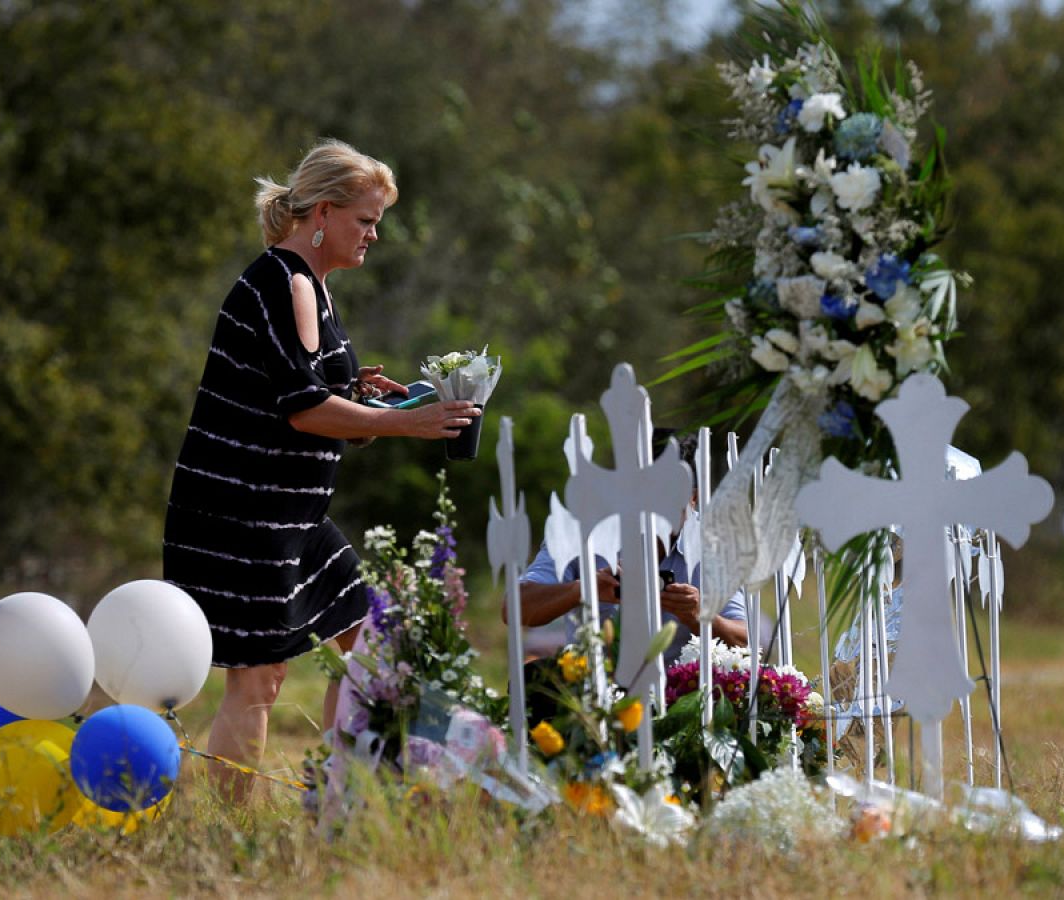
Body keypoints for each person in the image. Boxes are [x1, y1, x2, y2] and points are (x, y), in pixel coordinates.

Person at [163, 139, 480, 801]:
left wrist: (363, 396)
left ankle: (340, 794)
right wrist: (410, 423)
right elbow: (304, 410)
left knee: (372, 645)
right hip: (243, 511)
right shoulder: (284, 283)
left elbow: (307, 393)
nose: (373, 235)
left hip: (295, 515)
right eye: (365, 220)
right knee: (259, 677)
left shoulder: (314, 287)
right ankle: (233, 832)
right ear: (324, 213)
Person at [506, 433, 749, 673]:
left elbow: (747, 640)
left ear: (693, 498)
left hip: (683, 692)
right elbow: (514, 608)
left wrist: (701, 617)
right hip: (591, 688)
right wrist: (583, 588)